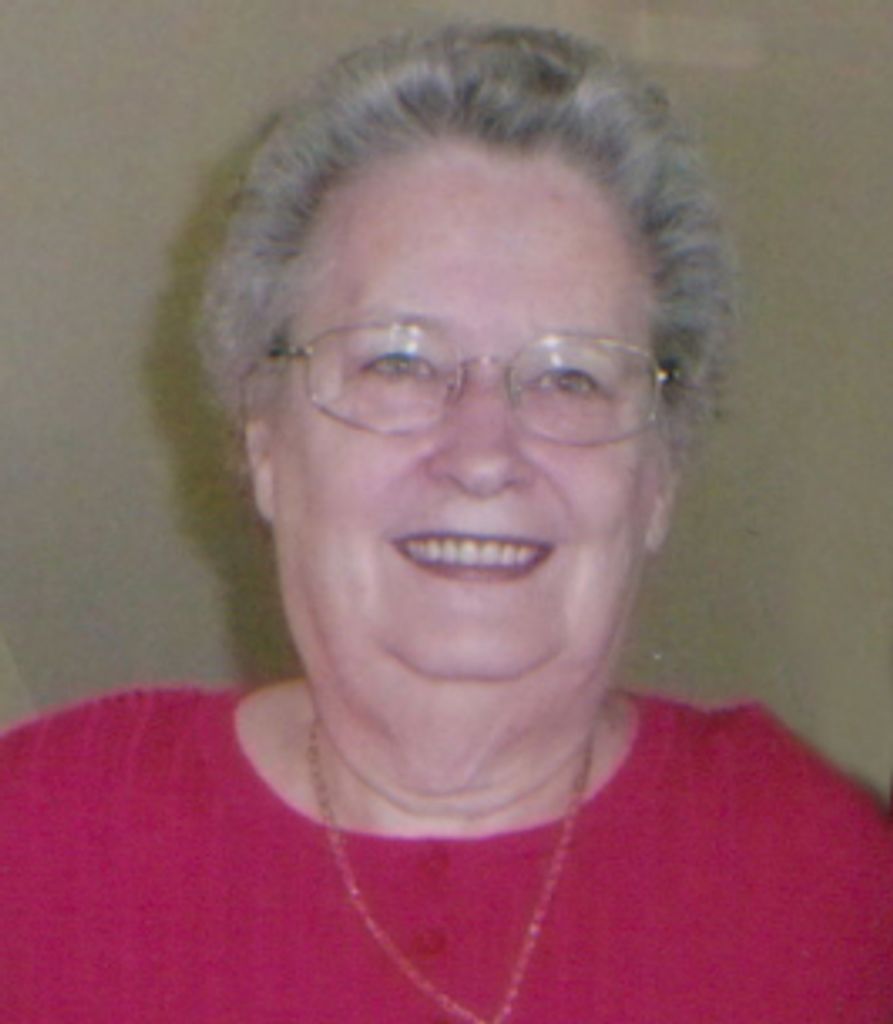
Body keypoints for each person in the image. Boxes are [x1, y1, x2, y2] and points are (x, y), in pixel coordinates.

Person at [1, 23, 890, 1024]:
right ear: (264, 441)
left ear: (658, 476)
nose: (481, 453)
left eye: (568, 377)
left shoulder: (823, 883)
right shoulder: (34, 850)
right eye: (398, 362)